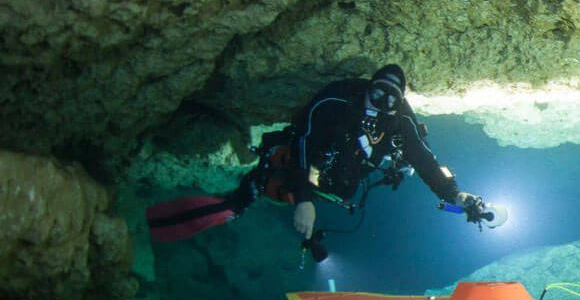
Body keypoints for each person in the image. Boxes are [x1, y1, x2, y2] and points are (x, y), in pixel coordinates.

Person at [148, 64, 493, 249]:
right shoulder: (337, 100)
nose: (381, 103)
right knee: (239, 203)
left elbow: (427, 162)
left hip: (335, 183)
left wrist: (455, 195)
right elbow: (302, 142)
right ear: (367, 87)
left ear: (400, 100)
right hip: (299, 168)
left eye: (391, 98)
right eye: (377, 93)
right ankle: (159, 223)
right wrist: (303, 200)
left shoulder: (401, 123)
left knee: (337, 189)